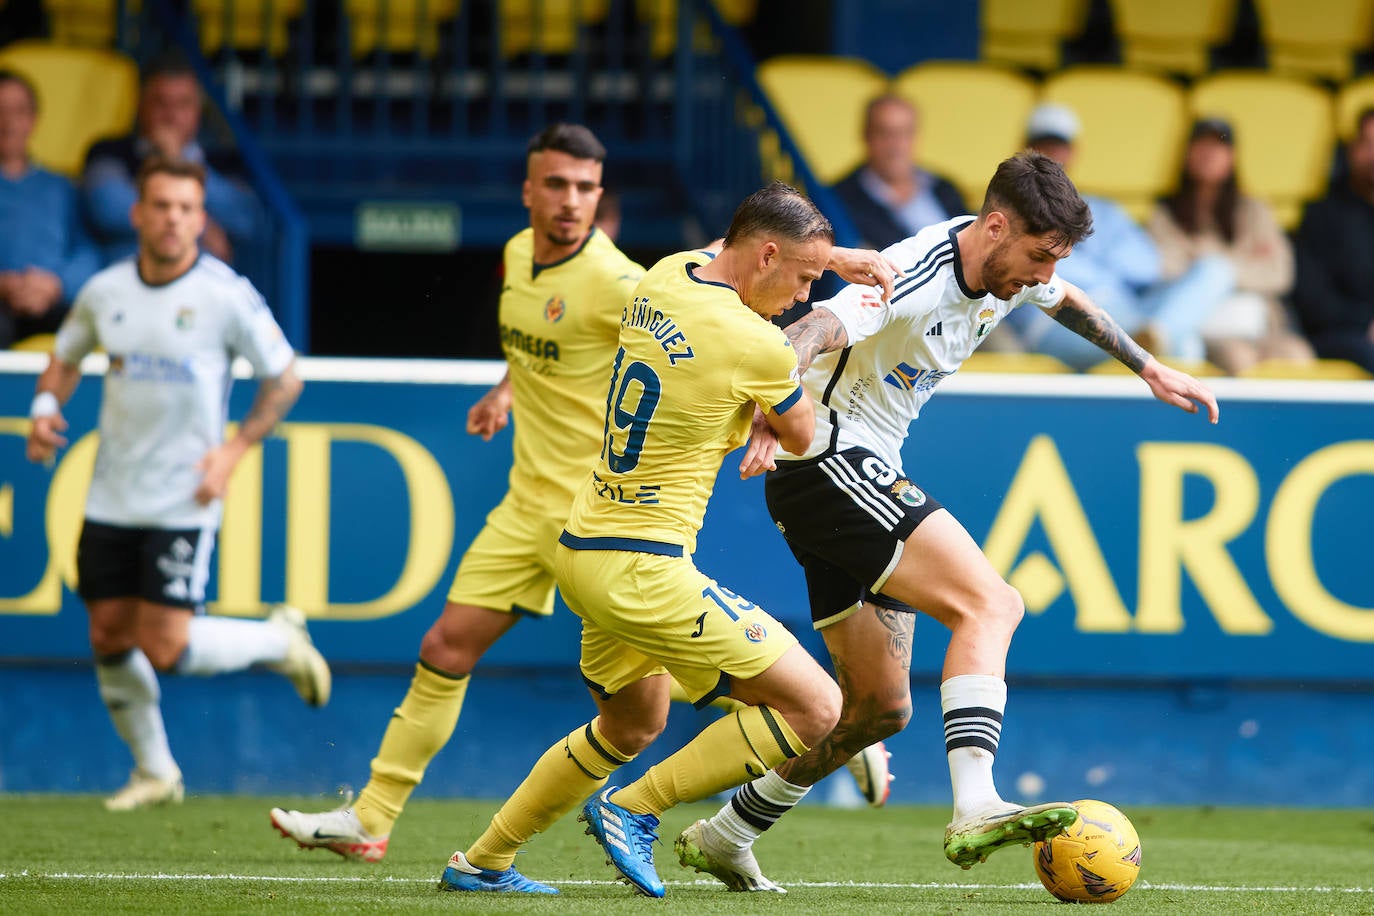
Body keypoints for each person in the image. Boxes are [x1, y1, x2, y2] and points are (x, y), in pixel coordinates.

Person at [267, 127, 896, 864]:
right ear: (528, 190)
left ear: (601, 196)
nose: (572, 203)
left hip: (585, 511)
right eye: (558, 185)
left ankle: (485, 858)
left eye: (586, 188)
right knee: (451, 648)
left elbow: (703, 314)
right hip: (574, 519)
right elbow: (730, 363)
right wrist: (509, 386)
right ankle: (387, 816)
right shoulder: (519, 258)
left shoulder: (635, 276)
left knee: (639, 717)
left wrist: (808, 278)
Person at [674, 152, 1220, 893]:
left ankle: (728, 831)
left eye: (1052, 259)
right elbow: (817, 326)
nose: (1040, 273)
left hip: (844, 477)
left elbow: (1065, 300)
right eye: (1037, 255)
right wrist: (775, 407)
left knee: (876, 709)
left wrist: (1146, 366)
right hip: (830, 461)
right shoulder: (913, 270)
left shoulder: (1010, 268)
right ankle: (975, 804)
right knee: (992, 604)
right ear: (995, 226)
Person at [434, 182, 903, 898]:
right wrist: (766, 409)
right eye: (806, 278)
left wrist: (829, 259)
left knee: (629, 724)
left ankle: (483, 861)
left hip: (584, 546)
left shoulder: (665, 273)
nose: (808, 296)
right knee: (817, 708)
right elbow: (804, 431)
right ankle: (634, 808)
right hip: (645, 567)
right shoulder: (758, 343)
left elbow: (731, 249)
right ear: (768, 255)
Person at [24, 155, 328, 812]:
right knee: (107, 633)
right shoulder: (105, 291)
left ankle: (280, 641)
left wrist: (233, 451)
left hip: (183, 498)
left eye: (186, 208)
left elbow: (285, 377)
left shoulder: (225, 294)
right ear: (138, 214)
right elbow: (64, 358)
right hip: (111, 494)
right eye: (161, 206)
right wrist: (46, 410)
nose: (173, 219)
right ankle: (155, 771)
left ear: (201, 217)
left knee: (166, 644)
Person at [1003, 103, 1168, 370]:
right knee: (1181, 345)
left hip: (1121, 307)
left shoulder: (1103, 210)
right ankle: (1150, 340)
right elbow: (1040, 274)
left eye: (1059, 146)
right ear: (1025, 149)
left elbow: (1149, 268)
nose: (1052, 155)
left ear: (1073, 151)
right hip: (1053, 321)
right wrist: (1105, 273)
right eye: (1042, 145)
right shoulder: (1005, 212)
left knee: (1213, 270)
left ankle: (1157, 335)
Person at [1147, 117, 1311, 375]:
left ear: (1232, 157)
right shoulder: (1165, 212)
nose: (1210, 154)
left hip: (1260, 321)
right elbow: (1165, 269)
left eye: (1219, 146)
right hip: (1204, 322)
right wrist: (1238, 262)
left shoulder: (1255, 209)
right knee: (1239, 358)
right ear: (1187, 153)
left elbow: (1279, 273)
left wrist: (1210, 262)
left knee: (1298, 356)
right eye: (1202, 145)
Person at [82, 55, 258, 266]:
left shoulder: (223, 157)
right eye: (160, 103)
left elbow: (245, 219)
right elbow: (108, 210)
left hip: (200, 287)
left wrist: (179, 157)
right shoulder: (108, 150)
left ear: (198, 110)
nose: (171, 115)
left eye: (183, 104)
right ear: (140, 105)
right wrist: (203, 227)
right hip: (125, 279)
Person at [0, 69, 101, 349]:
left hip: (52, 301)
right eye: (0, 111)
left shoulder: (61, 187)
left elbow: (87, 251)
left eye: (19, 111)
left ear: (33, 120)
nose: (8, 122)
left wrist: (56, 284)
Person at [1292, 107, 1374, 373]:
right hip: (1340, 335)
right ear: (1352, 150)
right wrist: (1366, 322)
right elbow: (1313, 301)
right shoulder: (1321, 214)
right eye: (1368, 144)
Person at [832, 94, 967, 251]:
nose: (895, 144)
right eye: (884, 132)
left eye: (904, 133)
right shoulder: (839, 200)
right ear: (866, 135)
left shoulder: (944, 188)